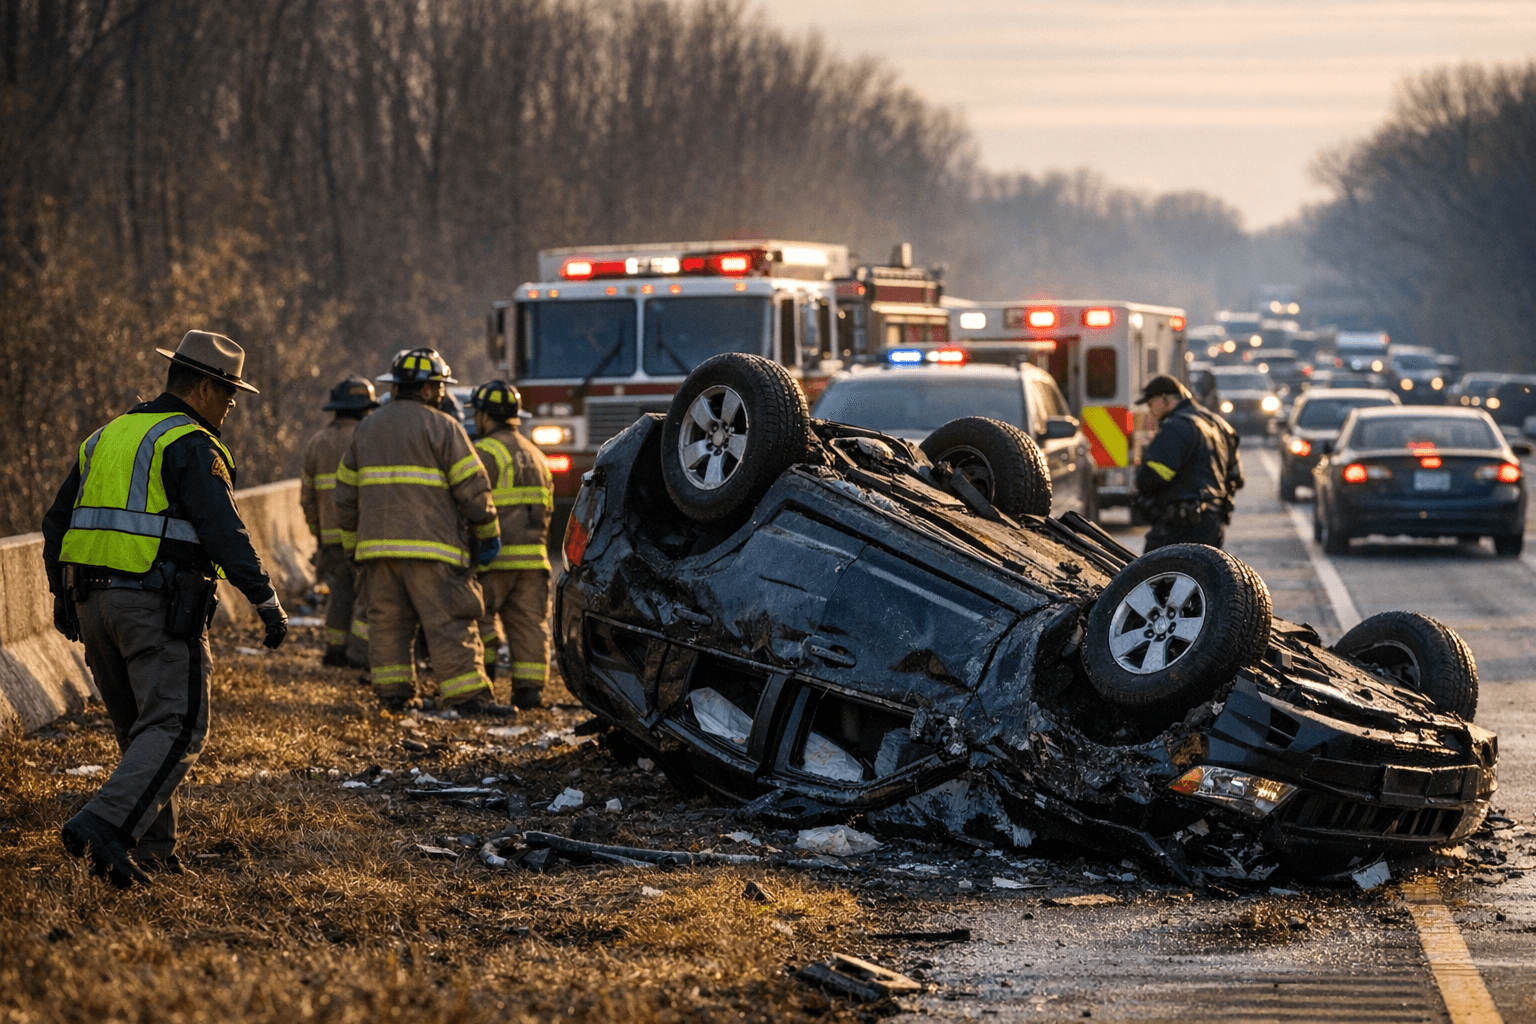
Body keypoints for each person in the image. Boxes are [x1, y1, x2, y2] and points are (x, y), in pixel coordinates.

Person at [41, 330, 288, 888]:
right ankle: (101, 825)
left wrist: (63, 596)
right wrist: (266, 600)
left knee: (142, 730)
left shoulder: (106, 436)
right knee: (179, 725)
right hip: (154, 603)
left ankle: (152, 849)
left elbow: (56, 521)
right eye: (228, 396)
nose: (230, 408)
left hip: (94, 605)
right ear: (203, 387)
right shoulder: (190, 443)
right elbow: (223, 529)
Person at [334, 348, 510, 714]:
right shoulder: (443, 426)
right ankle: (468, 697)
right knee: (449, 620)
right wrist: (488, 531)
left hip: (377, 551)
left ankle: (393, 695)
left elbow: (345, 495)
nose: (443, 392)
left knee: (387, 624)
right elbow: (472, 487)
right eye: (439, 386)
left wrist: (353, 547)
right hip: (433, 548)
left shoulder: (366, 428)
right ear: (428, 390)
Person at [470, 381, 554, 709]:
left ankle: (485, 680)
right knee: (529, 627)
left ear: (485, 416)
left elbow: (473, 502)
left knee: (481, 620)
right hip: (534, 560)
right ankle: (529, 692)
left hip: (495, 559)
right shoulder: (537, 455)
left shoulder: (485, 453)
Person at [301, 375, 378, 667]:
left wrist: (318, 532)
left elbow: (306, 498)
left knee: (339, 593)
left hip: (330, 540)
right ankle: (359, 653)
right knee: (366, 596)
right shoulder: (368, 438)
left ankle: (335, 649)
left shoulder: (316, 442)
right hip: (363, 534)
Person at [1133, 374, 1244, 552]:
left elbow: (1153, 475)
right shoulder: (1219, 424)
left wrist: (1141, 480)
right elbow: (1236, 476)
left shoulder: (1175, 427)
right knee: (1203, 576)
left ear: (1164, 399)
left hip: (1180, 527)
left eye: (1151, 404)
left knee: (1153, 576)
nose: (1150, 410)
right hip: (1213, 525)